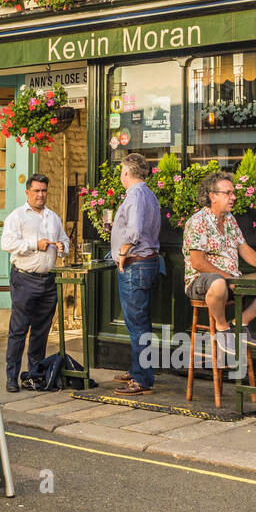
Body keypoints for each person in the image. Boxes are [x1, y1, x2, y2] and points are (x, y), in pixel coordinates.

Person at [182, 171, 256, 353]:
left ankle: (240, 324)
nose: (233, 197)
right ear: (212, 196)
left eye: (233, 193)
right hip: (201, 282)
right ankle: (223, 329)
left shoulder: (230, 220)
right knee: (218, 283)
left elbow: (243, 248)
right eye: (228, 193)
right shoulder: (197, 221)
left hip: (232, 281)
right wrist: (229, 279)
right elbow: (198, 263)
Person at [0, 173, 69, 392]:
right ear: (28, 192)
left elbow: (65, 241)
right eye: (37, 191)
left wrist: (61, 248)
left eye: (44, 191)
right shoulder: (17, 216)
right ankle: (12, 376)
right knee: (19, 330)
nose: (41, 195)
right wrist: (34, 244)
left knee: (41, 331)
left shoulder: (53, 217)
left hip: (48, 280)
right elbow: (6, 243)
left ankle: (34, 375)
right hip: (24, 278)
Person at [107, 153, 161, 396]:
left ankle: (142, 379)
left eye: (121, 172)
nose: (120, 176)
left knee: (137, 324)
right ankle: (139, 369)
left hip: (135, 264)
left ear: (126, 173)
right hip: (145, 264)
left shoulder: (136, 195)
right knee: (140, 322)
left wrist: (122, 252)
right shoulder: (147, 194)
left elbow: (135, 230)